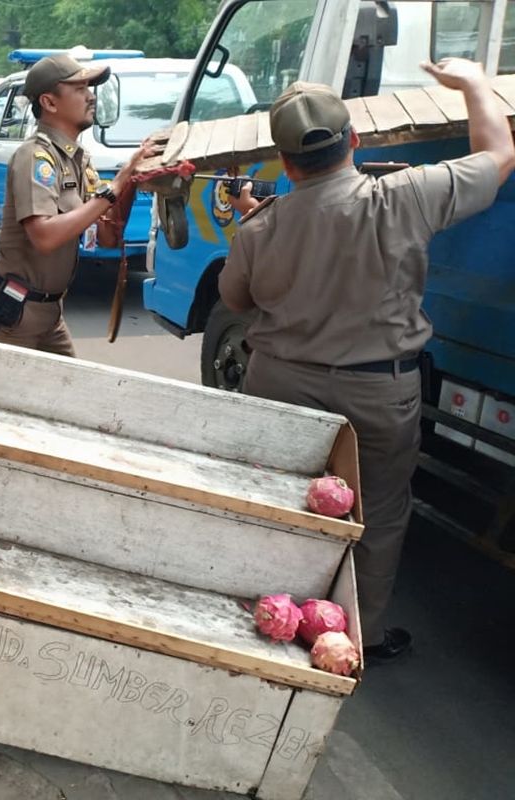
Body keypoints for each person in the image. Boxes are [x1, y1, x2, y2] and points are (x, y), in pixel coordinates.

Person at [219, 58, 515, 664]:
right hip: (378, 395)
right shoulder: (405, 197)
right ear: (354, 141)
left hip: (278, 384)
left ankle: (263, 621)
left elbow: (234, 300)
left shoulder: (259, 227)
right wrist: (475, 85)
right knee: (375, 515)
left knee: (276, 503)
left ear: (283, 162)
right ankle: (360, 638)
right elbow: (499, 155)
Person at [0, 54, 148, 355]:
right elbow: (45, 236)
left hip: (50, 315)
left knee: (72, 395)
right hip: (13, 316)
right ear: (50, 103)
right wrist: (113, 189)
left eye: (90, 88)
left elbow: (107, 237)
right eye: (80, 88)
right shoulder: (35, 157)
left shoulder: (78, 161)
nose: (91, 96)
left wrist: (131, 180)